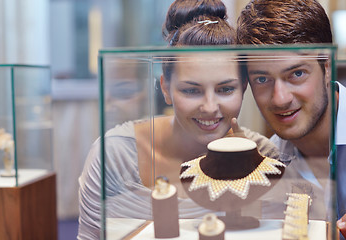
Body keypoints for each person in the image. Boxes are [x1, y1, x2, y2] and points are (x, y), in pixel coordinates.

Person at [77, 0, 280, 239]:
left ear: (243, 88)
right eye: (191, 90)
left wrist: (246, 177)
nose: (210, 107)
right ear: (165, 89)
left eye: (225, 89)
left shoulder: (265, 158)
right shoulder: (114, 156)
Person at [236, 0, 346, 238]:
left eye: (297, 74)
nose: (280, 99)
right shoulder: (271, 162)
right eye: (262, 79)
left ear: (327, 66)